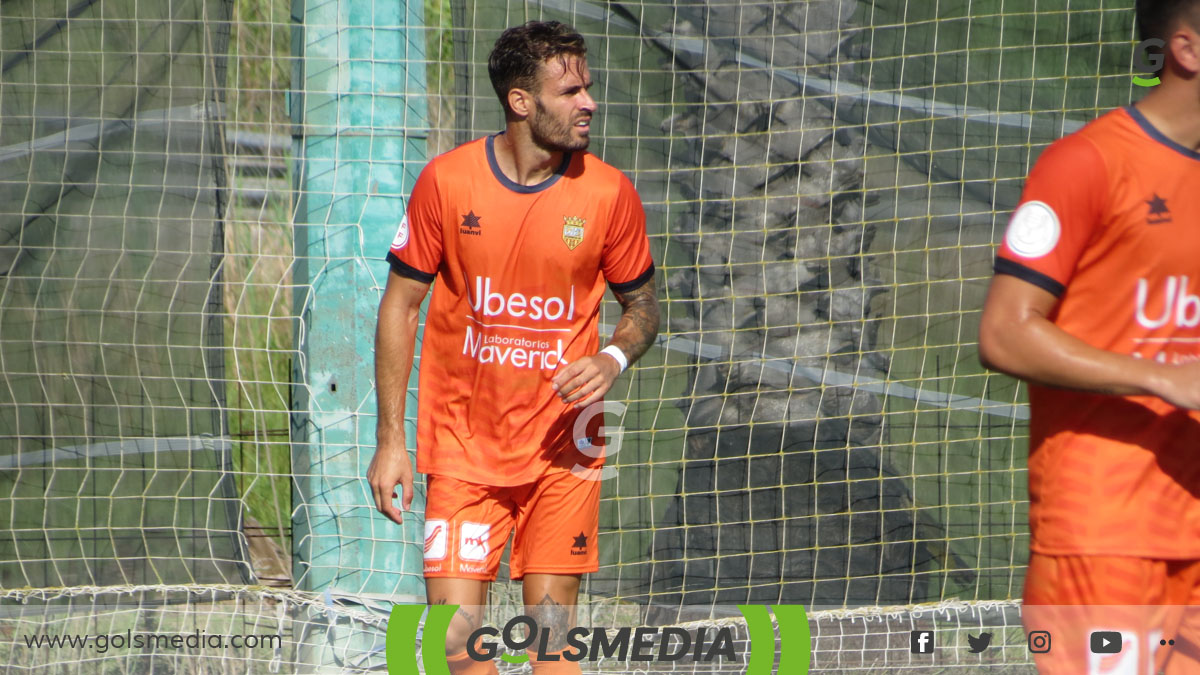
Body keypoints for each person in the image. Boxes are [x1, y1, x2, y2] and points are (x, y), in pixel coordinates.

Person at [366, 21, 659, 675]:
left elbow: (643, 310)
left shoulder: (610, 193)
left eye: (589, 87)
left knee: (550, 648)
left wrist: (610, 359)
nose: (589, 102)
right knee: (455, 649)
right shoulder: (447, 181)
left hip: (566, 453)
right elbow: (400, 305)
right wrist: (391, 440)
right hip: (463, 452)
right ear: (520, 101)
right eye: (571, 90)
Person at [979, 1, 1200, 672]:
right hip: (1104, 534)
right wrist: (1160, 376)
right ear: (1186, 50)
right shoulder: (1086, 163)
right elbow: (1005, 333)